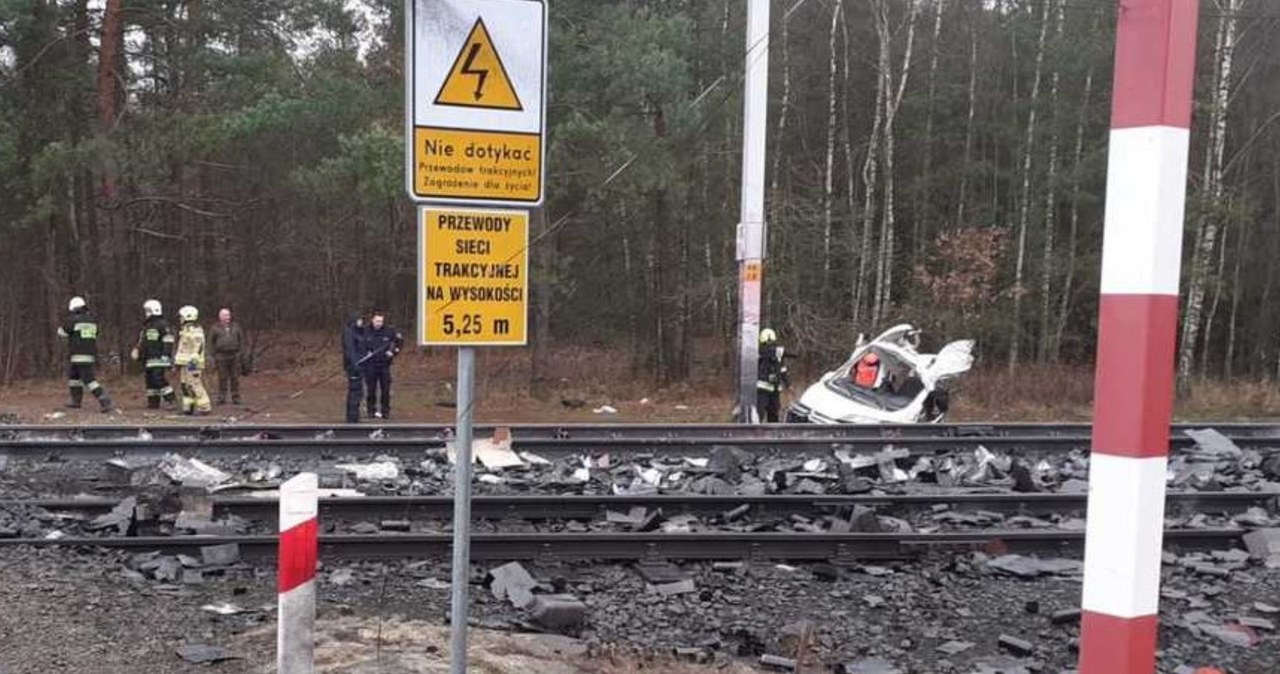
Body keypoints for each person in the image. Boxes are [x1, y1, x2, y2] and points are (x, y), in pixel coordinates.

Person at [57, 296, 113, 412]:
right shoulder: (92, 320)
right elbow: (96, 334)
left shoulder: (73, 320)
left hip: (78, 354)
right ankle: (76, 401)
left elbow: (62, 332)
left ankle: (104, 399)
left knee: (89, 379)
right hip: (90, 353)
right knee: (74, 377)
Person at [130, 299, 177, 409]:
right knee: (150, 381)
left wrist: (166, 355)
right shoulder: (147, 326)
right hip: (149, 358)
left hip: (159, 358)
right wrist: (138, 352)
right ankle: (153, 402)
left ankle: (171, 399)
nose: (146, 313)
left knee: (158, 378)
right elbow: (143, 341)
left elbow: (168, 340)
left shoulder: (162, 324)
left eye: (148, 310)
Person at [363, 311, 403, 420]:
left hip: (384, 365)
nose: (379, 323)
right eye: (377, 321)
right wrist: (364, 353)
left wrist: (393, 352)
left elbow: (399, 341)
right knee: (371, 389)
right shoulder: (365, 331)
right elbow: (360, 345)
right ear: (372, 320)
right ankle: (371, 411)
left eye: (381, 321)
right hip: (370, 365)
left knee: (385, 389)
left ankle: (385, 411)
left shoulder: (389, 331)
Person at [173, 305, 212, 416]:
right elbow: (182, 348)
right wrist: (177, 362)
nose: (180, 319)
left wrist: (194, 359)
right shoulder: (184, 330)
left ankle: (205, 407)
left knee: (194, 384)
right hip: (184, 363)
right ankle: (188, 407)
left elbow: (199, 345)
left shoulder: (195, 330)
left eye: (181, 317)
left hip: (193, 363)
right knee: (184, 385)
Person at [208, 307, 245, 405]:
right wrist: (213, 355)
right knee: (222, 377)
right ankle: (221, 397)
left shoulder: (236, 326)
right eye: (225, 315)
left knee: (235, 377)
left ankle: (236, 397)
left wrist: (240, 353)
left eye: (228, 315)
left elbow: (241, 340)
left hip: (234, 354)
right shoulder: (215, 328)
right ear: (220, 317)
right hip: (221, 355)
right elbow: (211, 342)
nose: (227, 317)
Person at [756, 328, 789, 423]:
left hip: (774, 389)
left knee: (774, 415)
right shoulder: (759, 353)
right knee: (760, 414)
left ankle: (773, 435)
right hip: (762, 390)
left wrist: (788, 384)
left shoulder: (778, 354)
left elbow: (782, 369)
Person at [342, 312, 368, 423]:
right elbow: (350, 351)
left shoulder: (359, 332)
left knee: (358, 391)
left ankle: (354, 416)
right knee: (355, 391)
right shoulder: (349, 333)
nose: (361, 322)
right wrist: (355, 364)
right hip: (354, 367)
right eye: (359, 320)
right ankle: (352, 418)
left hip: (359, 365)